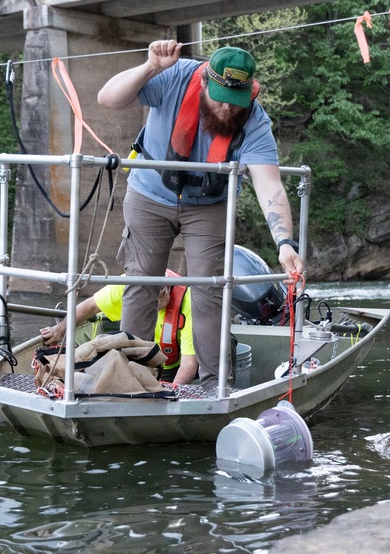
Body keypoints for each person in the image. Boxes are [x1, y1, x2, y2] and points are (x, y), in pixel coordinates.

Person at [97, 40, 305, 391]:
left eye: (235, 100)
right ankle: (129, 382)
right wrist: (151, 67)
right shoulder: (174, 76)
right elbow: (107, 98)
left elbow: (270, 185)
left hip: (209, 206)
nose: (227, 107)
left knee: (210, 291)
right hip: (149, 194)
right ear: (205, 81)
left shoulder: (254, 120)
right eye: (220, 97)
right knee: (141, 284)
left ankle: (216, 387)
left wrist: (285, 243)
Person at [39, 278, 198, 385]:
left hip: (170, 367)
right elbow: (89, 307)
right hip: (132, 359)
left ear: (168, 288)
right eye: (146, 298)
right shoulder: (127, 285)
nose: (151, 304)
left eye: (159, 298)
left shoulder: (188, 304)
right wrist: (59, 330)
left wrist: (173, 391)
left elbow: (189, 364)